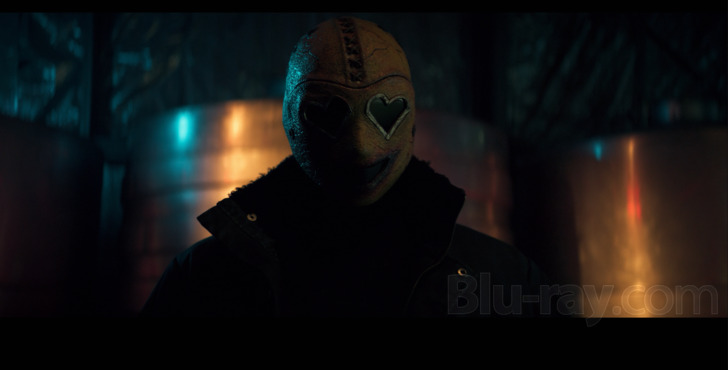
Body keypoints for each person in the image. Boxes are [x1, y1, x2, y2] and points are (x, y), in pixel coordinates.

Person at [140, 16, 566, 317]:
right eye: (328, 114)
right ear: (290, 119)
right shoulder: (205, 279)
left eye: (385, 111)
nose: (361, 147)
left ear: (411, 118)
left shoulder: (503, 280)